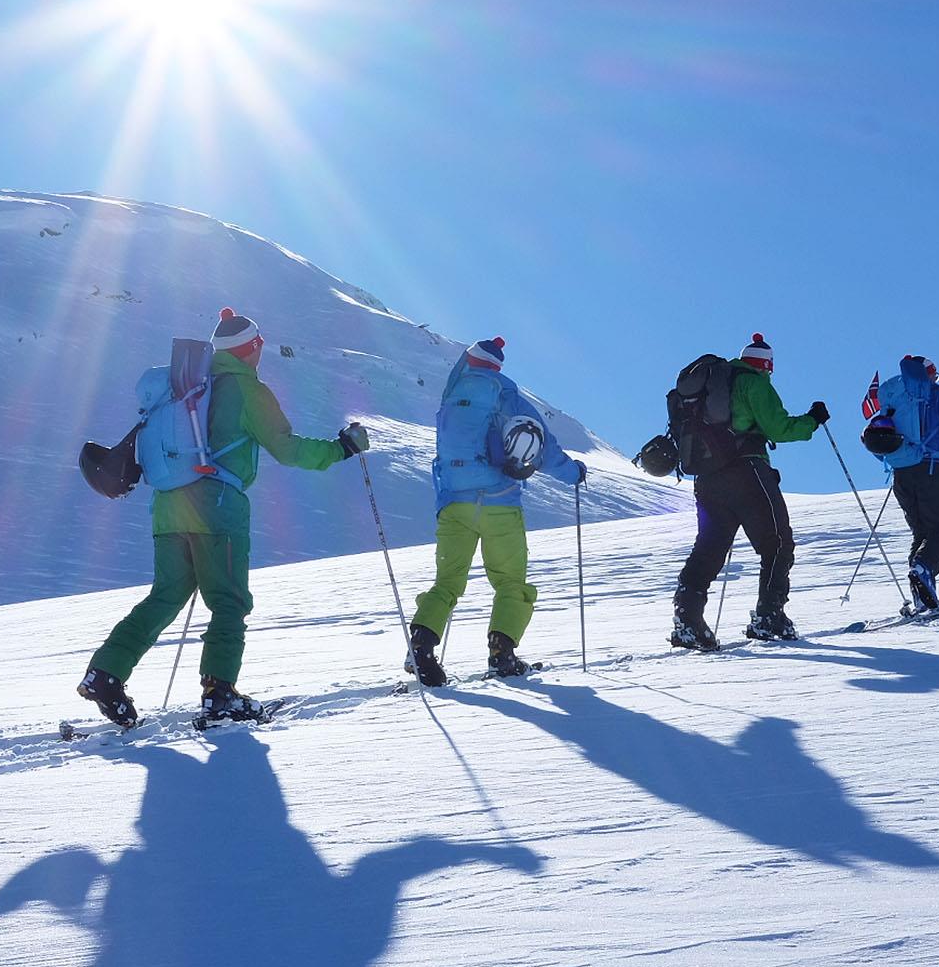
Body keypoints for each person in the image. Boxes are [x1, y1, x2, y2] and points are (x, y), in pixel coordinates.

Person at [77, 307, 369, 728]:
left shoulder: (183, 388)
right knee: (229, 601)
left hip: (166, 507)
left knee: (164, 597)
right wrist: (343, 448)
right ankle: (220, 694)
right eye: (260, 346)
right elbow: (288, 450)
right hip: (217, 507)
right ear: (252, 348)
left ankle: (105, 673)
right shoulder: (248, 391)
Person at [405, 337, 586, 686]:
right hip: (499, 503)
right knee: (509, 582)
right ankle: (502, 654)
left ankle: (421, 646)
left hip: (453, 502)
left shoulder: (451, 396)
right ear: (496, 366)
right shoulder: (506, 395)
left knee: (447, 582)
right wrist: (573, 473)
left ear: (468, 361)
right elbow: (543, 447)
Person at [671, 333, 827, 650]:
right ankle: (769, 616)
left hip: (707, 477)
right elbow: (779, 428)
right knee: (778, 543)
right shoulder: (754, 382)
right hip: (747, 471)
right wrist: (812, 420)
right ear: (766, 364)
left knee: (710, 547)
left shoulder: (711, 385)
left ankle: (687, 619)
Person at [871, 354, 939, 612]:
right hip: (932, 468)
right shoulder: (937, 395)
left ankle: (922, 595)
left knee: (921, 533)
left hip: (901, 473)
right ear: (929, 374)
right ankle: (923, 570)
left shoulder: (893, 397)